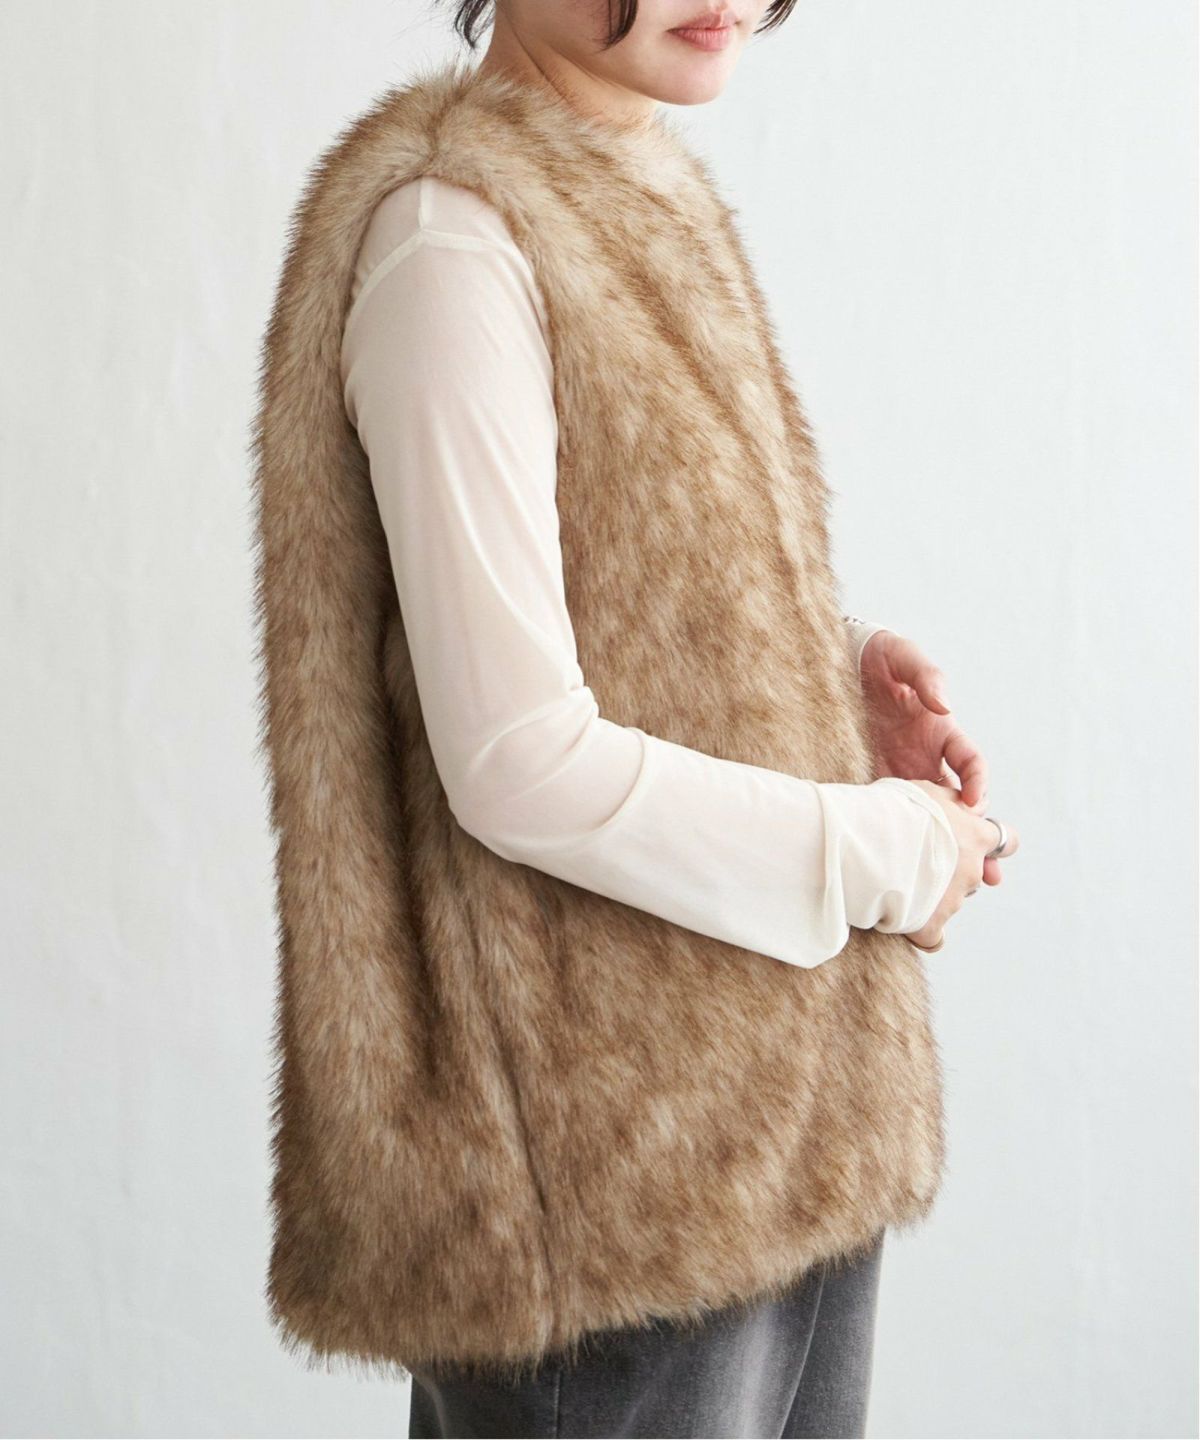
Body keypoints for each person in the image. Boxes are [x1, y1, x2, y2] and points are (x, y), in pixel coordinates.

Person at [251, 3, 1019, 1435]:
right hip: (602, 1197)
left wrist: (821, 677)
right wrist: (888, 852)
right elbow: (517, 761)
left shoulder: (624, 180)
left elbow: (598, 591)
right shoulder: (452, 242)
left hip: (772, 1138)